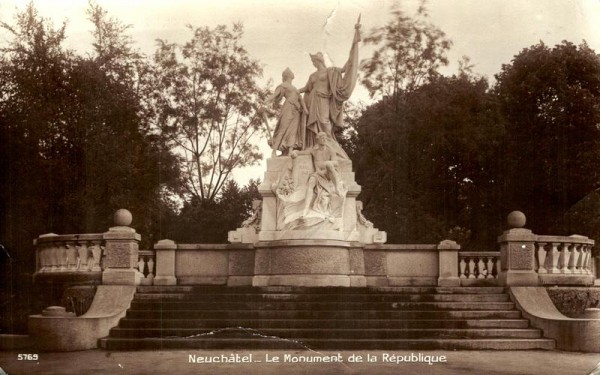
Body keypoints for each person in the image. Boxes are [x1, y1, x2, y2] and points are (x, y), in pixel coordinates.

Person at [298, 18, 361, 160]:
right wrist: (295, 91)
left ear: (319, 60)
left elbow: (345, 68)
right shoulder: (312, 75)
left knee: (325, 124)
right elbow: (306, 88)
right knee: (314, 125)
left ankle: (332, 147)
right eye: (313, 61)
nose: (314, 63)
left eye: (314, 60)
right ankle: (315, 147)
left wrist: (353, 53)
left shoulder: (331, 71)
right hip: (313, 101)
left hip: (324, 99)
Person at [291, 132, 346, 219]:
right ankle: (306, 209)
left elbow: (336, 163)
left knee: (329, 164)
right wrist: (295, 152)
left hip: (328, 173)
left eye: (325, 137)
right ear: (317, 139)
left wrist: (326, 163)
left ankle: (337, 188)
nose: (324, 139)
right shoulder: (314, 151)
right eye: (321, 137)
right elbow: (303, 152)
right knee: (311, 182)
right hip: (318, 174)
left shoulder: (330, 150)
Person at [263, 68, 307, 156]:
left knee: (293, 131)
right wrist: (267, 100)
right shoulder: (283, 86)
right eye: (291, 72)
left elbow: (300, 99)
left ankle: (290, 150)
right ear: (288, 75)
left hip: (297, 111)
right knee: (282, 129)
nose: (293, 73)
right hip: (288, 108)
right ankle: (274, 151)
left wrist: (305, 109)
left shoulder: (295, 88)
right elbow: (275, 95)